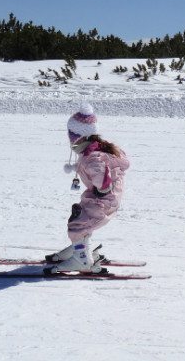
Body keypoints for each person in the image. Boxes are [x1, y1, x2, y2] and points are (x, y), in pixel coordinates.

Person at [44, 104, 130, 273]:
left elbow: (100, 176)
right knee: (81, 218)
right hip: (104, 197)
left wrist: (102, 189)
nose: (70, 138)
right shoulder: (95, 149)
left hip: (104, 199)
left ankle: (82, 260)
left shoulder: (92, 157)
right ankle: (79, 248)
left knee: (78, 224)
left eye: (72, 134)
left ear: (79, 136)